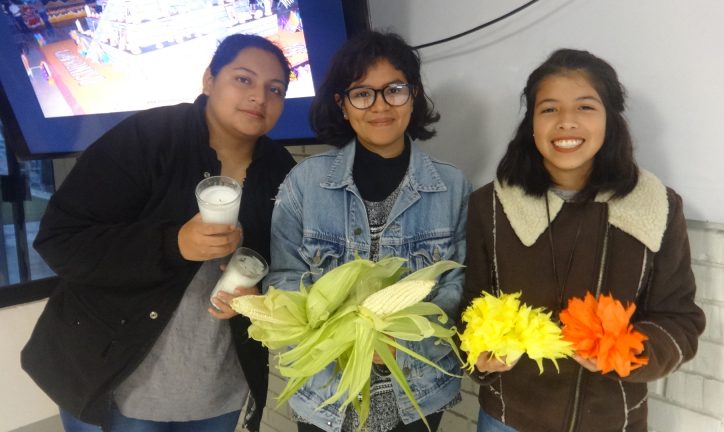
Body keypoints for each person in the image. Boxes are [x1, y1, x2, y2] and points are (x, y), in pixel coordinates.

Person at [21, 34, 296, 432]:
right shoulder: (148, 137)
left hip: (216, 387)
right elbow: (61, 239)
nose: (260, 97)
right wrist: (174, 243)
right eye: (243, 79)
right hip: (117, 381)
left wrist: (262, 296)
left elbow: (284, 261)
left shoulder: (281, 169)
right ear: (208, 80)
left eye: (276, 90)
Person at [462, 48, 706, 432]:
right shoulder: (490, 206)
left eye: (585, 107)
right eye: (549, 109)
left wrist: (628, 351)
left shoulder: (657, 206)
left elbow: (681, 320)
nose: (566, 123)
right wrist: (479, 351)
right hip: (508, 420)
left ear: (611, 118)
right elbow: (469, 305)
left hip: (612, 421)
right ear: (531, 123)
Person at [265, 31, 472, 432]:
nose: (380, 106)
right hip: (325, 390)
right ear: (343, 105)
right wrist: (350, 336)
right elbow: (285, 279)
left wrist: (398, 335)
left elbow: (456, 284)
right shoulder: (304, 182)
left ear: (413, 96)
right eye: (362, 93)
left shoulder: (453, 186)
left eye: (394, 90)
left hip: (419, 391)